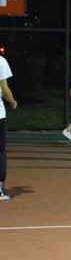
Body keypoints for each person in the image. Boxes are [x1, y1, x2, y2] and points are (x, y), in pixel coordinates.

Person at [0, 54, 18, 201]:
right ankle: (0, 187)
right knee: (0, 151)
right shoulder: (1, 61)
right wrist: (12, 102)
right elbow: (5, 88)